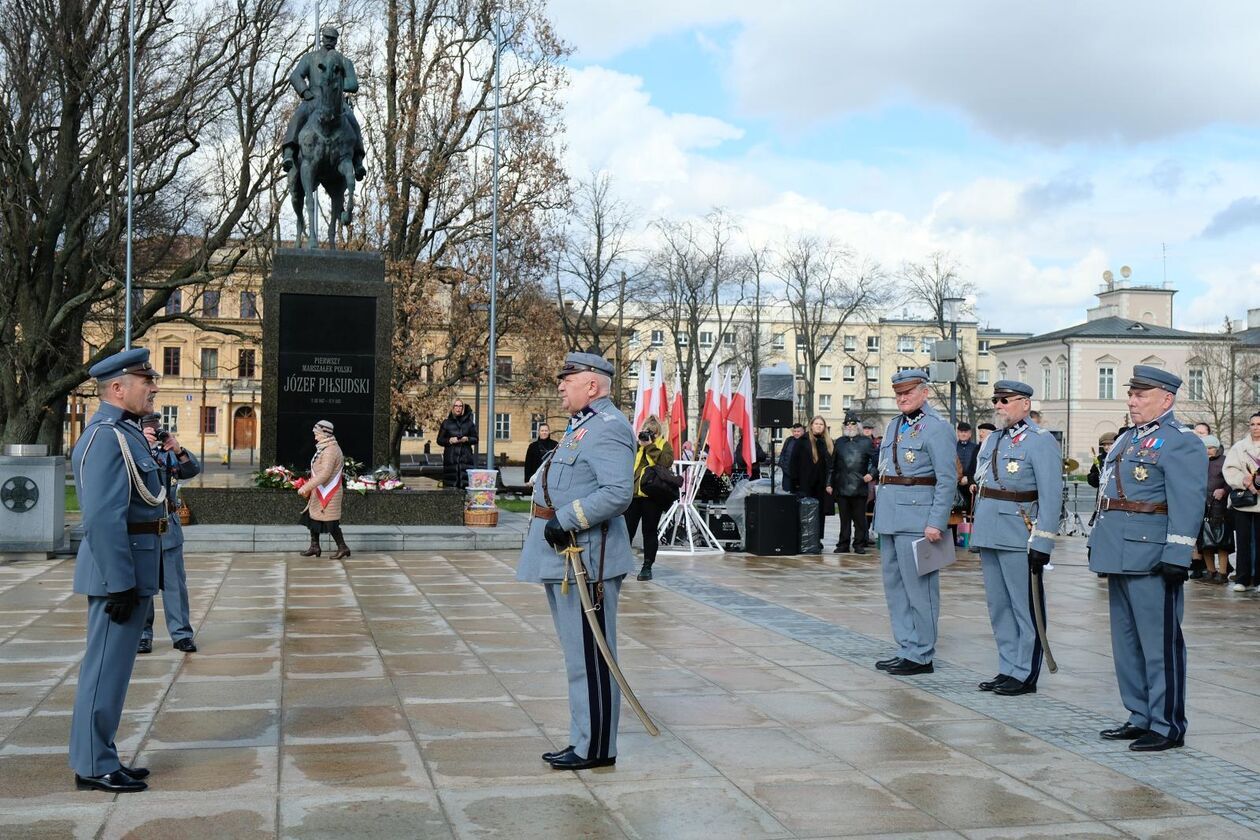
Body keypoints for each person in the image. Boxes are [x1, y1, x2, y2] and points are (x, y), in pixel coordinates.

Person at [517, 351, 636, 771]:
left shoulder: (607, 428)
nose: (561, 385)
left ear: (593, 384)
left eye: (569, 379)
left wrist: (567, 518)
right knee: (578, 655)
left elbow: (618, 492)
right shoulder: (582, 427)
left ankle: (598, 748)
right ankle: (585, 740)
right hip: (567, 558)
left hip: (588, 562)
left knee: (592, 656)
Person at [1090, 365, 1205, 752]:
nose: (1131, 400)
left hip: (1153, 556)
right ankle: (1139, 715)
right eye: (1131, 393)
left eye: (1140, 395)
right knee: (1126, 643)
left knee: (1160, 645)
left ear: (1166, 399)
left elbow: (1187, 502)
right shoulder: (1126, 439)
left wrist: (1178, 553)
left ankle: (1167, 724)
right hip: (1119, 552)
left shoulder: (1180, 441)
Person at [69, 348, 165, 793]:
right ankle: (91, 766)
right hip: (117, 575)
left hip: (131, 568)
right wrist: (121, 583)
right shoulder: (105, 437)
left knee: (116, 672)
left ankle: (101, 754)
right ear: (117, 388)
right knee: (104, 670)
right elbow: (103, 518)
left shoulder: (124, 433)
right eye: (146, 381)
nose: (154, 387)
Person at [971, 381, 1062, 696]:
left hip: (1019, 533)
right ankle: (1008, 667)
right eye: (996, 400)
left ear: (1025, 403)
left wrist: (1043, 542)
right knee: (999, 607)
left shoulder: (1040, 441)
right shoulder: (994, 439)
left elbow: (1051, 497)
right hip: (989, 532)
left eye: (1004, 400)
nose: (998, 406)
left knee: (1025, 607)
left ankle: (1025, 673)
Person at [872, 370, 956, 676]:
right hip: (891, 518)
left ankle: (922, 653)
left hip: (920, 519)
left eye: (908, 393)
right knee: (895, 587)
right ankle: (906, 647)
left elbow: (947, 480)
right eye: (898, 394)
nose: (902, 398)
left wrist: (937, 521)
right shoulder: (894, 425)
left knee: (921, 590)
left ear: (925, 393)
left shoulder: (937, 428)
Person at [137, 413, 200, 655]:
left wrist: (179, 450)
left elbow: (192, 469)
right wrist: (142, 445)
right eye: (150, 429)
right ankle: (143, 635)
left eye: (157, 428)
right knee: (144, 585)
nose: (156, 432)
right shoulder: (132, 449)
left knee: (175, 584)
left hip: (168, 524)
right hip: (142, 527)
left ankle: (182, 634)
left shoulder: (168, 453)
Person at [281, 26, 366, 180]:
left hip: (336, 100)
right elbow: (295, 76)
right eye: (327, 38)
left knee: (353, 122)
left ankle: (358, 161)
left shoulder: (344, 61)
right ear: (322, 38)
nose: (329, 41)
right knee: (298, 116)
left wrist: (337, 85)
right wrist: (305, 92)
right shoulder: (310, 58)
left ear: (336, 41)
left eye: (332, 39)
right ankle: (288, 152)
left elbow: (353, 84)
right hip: (313, 98)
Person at [625, 416, 674, 581]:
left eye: (652, 432)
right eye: (646, 431)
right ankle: (621, 565)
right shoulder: (636, 446)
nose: (648, 435)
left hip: (653, 496)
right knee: (626, 532)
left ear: (658, 432)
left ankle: (647, 566)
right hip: (633, 495)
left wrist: (650, 447)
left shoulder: (663, 445)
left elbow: (666, 462)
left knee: (649, 532)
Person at [297, 420, 350, 559]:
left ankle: (343, 547)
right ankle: (315, 546)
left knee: (330, 522)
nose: (315, 437)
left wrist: (306, 487)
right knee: (312, 517)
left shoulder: (331, 450)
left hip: (329, 493)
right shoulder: (324, 447)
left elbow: (325, 474)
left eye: (317, 434)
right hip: (320, 490)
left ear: (325, 434)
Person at [1224, 413, 1260, 592]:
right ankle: (1242, 579)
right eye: (1252, 424)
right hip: (1244, 500)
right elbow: (1229, 469)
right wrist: (1243, 480)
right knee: (1243, 540)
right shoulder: (1239, 447)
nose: (1255, 427)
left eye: (1259, 424)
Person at [831, 414, 877, 554]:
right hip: (842, 484)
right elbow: (832, 465)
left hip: (859, 485)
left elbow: (877, 461)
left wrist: (872, 474)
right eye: (847, 424)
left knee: (859, 518)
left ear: (858, 426)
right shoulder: (839, 442)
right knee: (844, 518)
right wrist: (829, 483)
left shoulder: (866, 442)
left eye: (852, 424)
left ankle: (859, 543)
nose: (850, 427)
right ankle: (843, 544)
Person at [791, 415, 834, 550]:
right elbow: (793, 463)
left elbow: (831, 465)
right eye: (816, 424)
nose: (819, 426)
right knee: (804, 513)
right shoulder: (802, 441)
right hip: (805, 484)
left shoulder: (828, 443)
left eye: (821, 424)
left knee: (820, 514)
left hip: (821, 486)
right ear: (811, 425)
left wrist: (829, 483)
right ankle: (803, 539)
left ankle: (817, 539)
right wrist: (796, 483)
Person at [1198, 434, 1232, 584]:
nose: (1207, 451)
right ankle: (1211, 571)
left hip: (1219, 506)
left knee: (1221, 541)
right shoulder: (1198, 461)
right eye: (1205, 448)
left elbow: (1231, 480)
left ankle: (1223, 573)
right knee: (1205, 541)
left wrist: (1224, 491)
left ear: (1217, 448)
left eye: (1211, 448)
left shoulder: (1225, 461)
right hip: (1201, 505)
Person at [439, 399, 478, 488]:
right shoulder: (446, 423)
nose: (458, 408)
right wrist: (449, 440)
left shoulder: (469, 423)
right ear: (452, 408)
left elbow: (475, 439)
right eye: (456, 406)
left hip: (466, 458)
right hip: (451, 459)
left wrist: (467, 439)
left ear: (463, 408)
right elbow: (440, 440)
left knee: (465, 486)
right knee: (450, 487)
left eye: (460, 406)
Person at [778, 423, 804, 491]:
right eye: (794, 431)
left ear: (802, 431)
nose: (796, 433)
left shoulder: (806, 442)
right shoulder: (789, 440)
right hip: (787, 474)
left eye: (798, 431)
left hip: (800, 476)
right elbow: (783, 453)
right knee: (786, 494)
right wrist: (782, 465)